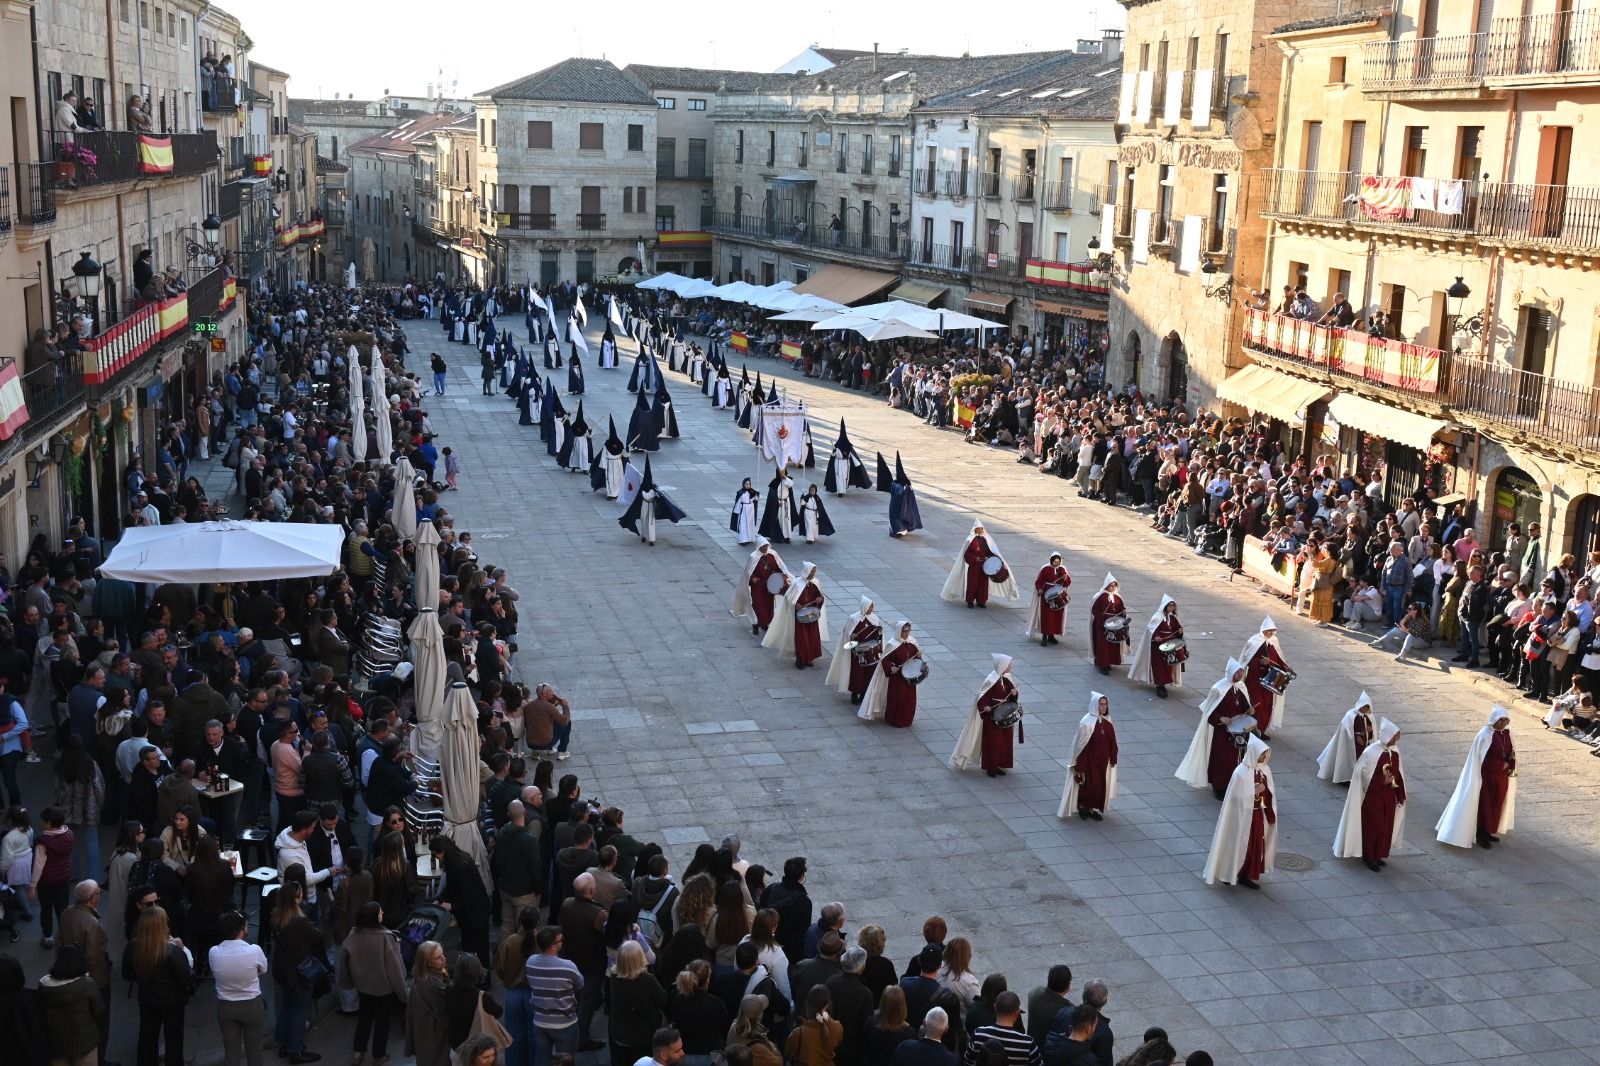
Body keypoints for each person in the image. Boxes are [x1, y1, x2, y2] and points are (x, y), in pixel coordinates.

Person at [1201, 735, 1276, 889]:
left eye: (1265, 754)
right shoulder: (1240, 773)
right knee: (1236, 845)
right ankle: (1228, 873)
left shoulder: (1264, 770)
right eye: (1262, 754)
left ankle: (1246, 875)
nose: (1264, 757)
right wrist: (1254, 791)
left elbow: (1267, 793)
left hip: (1257, 815)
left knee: (1255, 846)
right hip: (1241, 816)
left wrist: (1266, 807)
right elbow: (1235, 797)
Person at [1436, 706, 1516, 849]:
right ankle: (1480, 834)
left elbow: (1510, 750)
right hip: (1486, 778)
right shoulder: (1485, 735)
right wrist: (1500, 765)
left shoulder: (1507, 734)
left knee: (1496, 805)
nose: (1503, 723)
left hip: (1501, 778)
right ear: (1494, 720)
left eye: (1506, 720)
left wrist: (1511, 760)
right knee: (1485, 805)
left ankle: (1489, 830)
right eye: (1501, 720)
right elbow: (1480, 758)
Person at [1333, 719, 1406, 872]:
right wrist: (1381, 781)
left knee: (1385, 827)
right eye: (1395, 736)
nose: (1397, 739)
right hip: (1374, 797)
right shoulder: (1371, 752)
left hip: (1388, 796)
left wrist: (1399, 793)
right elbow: (1363, 776)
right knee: (1374, 827)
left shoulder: (1395, 751)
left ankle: (1379, 854)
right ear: (1388, 736)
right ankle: (1369, 857)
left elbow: (1398, 773)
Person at [127, 904, 193, 1066]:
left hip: (147, 999)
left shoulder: (133, 947)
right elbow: (186, 977)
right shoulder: (172, 951)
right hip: (173, 1000)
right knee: (174, 1038)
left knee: (147, 1036)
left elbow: (127, 973)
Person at [269, 878, 326, 1064]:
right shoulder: (299, 922)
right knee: (300, 1011)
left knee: (286, 1007)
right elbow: (319, 937)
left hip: (282, 970)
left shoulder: (276, 916)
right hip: (300, 972)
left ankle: (284, 1043)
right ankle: (296, 1050)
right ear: (296, 898)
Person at [949, 654, 1020, 779]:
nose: (1010, 667)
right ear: (1002, 666)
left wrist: (1014, 693)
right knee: (993, 743)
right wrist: (985, 707)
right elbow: (981, 696)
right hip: (992, 717)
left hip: (1004, 715)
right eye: (1008, 665)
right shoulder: (991, 680)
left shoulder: (1006, 678)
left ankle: (999, 764)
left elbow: (1010, 694)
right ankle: (990, 767)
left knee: (1004, 742)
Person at [429, 833, 491, 967]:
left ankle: (477, 975)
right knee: (478, 950)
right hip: (476, 913)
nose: (436, 857)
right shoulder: (459, 860)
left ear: (443, 851)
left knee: (475, 951)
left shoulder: (458, 867)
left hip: (474, 915)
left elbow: (466, 895)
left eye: (436, 853)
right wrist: (441, 899)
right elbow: (453, 888)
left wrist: (451, 906)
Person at [1057, 693, 1117, 821]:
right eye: (1101, 704)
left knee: (1099, 786)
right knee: (1089, 786)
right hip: (1090, 762)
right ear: (1095, 705)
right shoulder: (1087, 723)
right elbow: (1082, 746)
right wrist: (1081, 767)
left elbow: (1112, 741)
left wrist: (1113, 757)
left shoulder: (1108, 721)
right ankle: (1083, 807)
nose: (1104, 707)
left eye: (1105, 704)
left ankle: (1092, 809)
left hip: (1102, 762)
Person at [608, 940, 668, 1066]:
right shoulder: (647, 980)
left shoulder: (614, 976)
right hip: (642, 1034)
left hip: (619, 1031)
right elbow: (663, 998)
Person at [762, 562, 828, 669]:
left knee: (812, 638)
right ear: (806, 571)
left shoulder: (816, 582)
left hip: (811, 615)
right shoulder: (797, 583)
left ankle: (809, 659)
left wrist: (820, 600)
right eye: (811, 571)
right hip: (800, 618)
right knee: (802, 639)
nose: (813, 574)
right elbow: (788, 598)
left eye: (814, 571)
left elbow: (820, 596)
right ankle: (800, 660)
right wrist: (795, 604)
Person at [940, 524, 1019, 610]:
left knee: (983, 585)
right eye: (978, 529)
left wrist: (994, 557)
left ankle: (981, 601)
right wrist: (975, 558)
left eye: (981, 529)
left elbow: (989, 551)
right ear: (975, 530)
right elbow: (967, 554)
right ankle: (970, 601)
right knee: (973, 584)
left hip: (984, 566)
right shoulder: (970, 540)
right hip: (974, 566)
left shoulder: (985, 540)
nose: (980, 530)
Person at [1238, 617, 1294, 738]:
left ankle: (1261, 730)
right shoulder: (1254, 641)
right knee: (1256, 704)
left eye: (1273, 630)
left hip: (1270, 680)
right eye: (1268, 630)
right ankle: (1252, 729)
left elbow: (1278, 658)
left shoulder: (1274, 640)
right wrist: (1260, 661)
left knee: (1267, 705)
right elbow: (1248, 659)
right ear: (1263, 630)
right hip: (1255, 679)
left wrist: (1286, 667)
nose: (1271, 633)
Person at [859, 621, 922, 728]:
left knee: (909, 699)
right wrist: (892, 667)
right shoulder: (892, 644)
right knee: (898, 698)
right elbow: (885, 660)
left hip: (909, 677)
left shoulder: (912, 642)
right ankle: (895, 720)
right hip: (897, 678)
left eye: (908, 631)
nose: (907, 634)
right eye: (904, 631)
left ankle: (907, 720)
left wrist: (918, 655)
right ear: (899, 631)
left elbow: (916, 658)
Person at [825, 597, 883, 706]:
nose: (871, 609)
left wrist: (879, 633)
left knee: (869, 673)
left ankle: (864, 694)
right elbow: (846, 633)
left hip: (870, 651)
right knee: (857, 674)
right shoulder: (854, 618)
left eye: (872, 607)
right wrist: (851, 636)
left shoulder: (874, 618)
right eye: (869, 607)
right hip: (858, 651)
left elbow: (878, 634)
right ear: (864, 606)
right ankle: (855, 694)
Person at [1124, 595, 1184, 698]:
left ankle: (1165, 682)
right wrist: (1156, 636)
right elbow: (1151, 629)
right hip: (1158, 647)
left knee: (1169, 665)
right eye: (1170, 605)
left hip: (1169, 647)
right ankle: (1160, 686)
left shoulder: (1173, 618)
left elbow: (1177, 630)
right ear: (1165, 606)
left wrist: (1180, 631)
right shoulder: (1157, 617)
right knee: (1159, 667)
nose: (1171, 607)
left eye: (1173, 606)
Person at [404, 940, 451, 1066]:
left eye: (442, 954)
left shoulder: (421, 978)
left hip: (424, 1033)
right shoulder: (431, 985)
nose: (443, 959)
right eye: (438, 957)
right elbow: (444, 1011)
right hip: (433, 1034)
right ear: (428, 963)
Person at [964, 990, 1039, 1066]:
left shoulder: (978, 1034)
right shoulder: (1028, 1043)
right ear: (1017, 1013)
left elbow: (968, 1062)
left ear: (995, 1007)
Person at [1315, 692, 1375, 785]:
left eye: (1367, 707)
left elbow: (1372, 733)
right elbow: (1346, 730)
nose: (1365, 709)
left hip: (1364, 744)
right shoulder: (1350, 715)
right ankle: (1346, 777)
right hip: (1352, 744)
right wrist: (1356, 737)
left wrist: (1370, 731)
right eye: (1364, 706)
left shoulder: (1369, 717)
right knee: (1350, 760)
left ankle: (1360, 778)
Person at [785, 986, 843, 1066]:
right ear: (829, 1005)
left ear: (808, 1005)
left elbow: (788, 1052)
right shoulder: (837, 1027)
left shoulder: (799, 1033)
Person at [1025, 553, 1071, 648]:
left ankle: (1052, 635)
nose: (1056, 563)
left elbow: (1066, 583)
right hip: (1047, 597)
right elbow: (1039, 581)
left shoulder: (1062, 569)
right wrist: (1040, 589)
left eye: (1058, 562)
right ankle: (1045, 637)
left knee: (1056, 617)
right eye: (1054, 561)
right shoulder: (1045, 569)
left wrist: (1066, 579)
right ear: (1051, 560)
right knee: (1047, 617)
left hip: (1058, 596)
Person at [1087, 575, 1129, 676]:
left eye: (1114, 586)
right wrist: (1102, 618)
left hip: (1114, 625)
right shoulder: (1100, 596)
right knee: (1103, 644)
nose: (1113, 588)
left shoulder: (1118, 597)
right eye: (1111, 585)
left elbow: (1121, 608)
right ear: (1106, 585)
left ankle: (1109, 661)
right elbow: (1094, 609)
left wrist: (1123, 612)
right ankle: (1103, 665)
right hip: (1102, 624)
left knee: (1113, 643)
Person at [758, 470, 799, 544]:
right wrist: (777, 502)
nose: (782, 474)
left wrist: (784, 477)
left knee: (786, 520)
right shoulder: (774, 483)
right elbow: (772, 495)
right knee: (779, 520)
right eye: (780, 472)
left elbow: (791, 484)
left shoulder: (787, 480)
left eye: (783, 472)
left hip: (786, 503)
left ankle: (787, 536)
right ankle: (779, 536)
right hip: (778, 504)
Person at [730, 479, 760, 545]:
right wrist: (736, 511)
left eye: (749, 484)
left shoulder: (752, 491)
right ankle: (743, 540)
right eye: (746, 484)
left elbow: (755, 499)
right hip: (744, 509)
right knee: (743, 525)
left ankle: (750, 538)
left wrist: (756, 496)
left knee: (750, 524)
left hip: (750, 510)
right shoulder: (740, 492)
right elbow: (738, 502)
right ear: (743, 484)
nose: (748, 485)